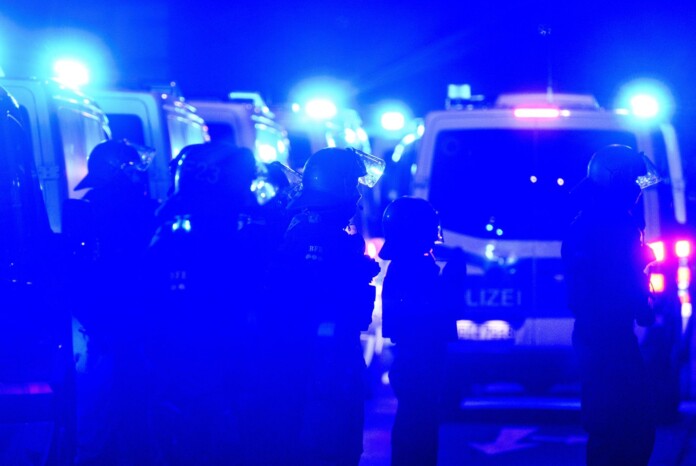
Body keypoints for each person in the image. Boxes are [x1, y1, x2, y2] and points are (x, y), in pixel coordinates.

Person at [262, 147, 382, 465]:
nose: (357, 195)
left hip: (326, 365)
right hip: (321, 368)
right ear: (337, 186)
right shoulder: (315, 236)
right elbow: (313, 306)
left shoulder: (315, 230)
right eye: (352, 184)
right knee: (328, 448)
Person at [146, 141, 262, 465]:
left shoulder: (175, 230)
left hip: (194, 371)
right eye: (244, 180)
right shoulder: (208, 238)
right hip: (201, 373)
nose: (248, 190)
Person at [561, 144, 660, 465]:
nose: (637, 192)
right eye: (633, 183)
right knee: (624, 426)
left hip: (602, 334)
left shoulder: (596, 221)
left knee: (620, 425)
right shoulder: (609, 225)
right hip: (606, 336)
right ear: (616, 183)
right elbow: (615, 280)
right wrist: (642, 303)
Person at [62, 138, 158, 465]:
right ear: (121, 171)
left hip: (96, 323)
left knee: (100, 411)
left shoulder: (86, 208)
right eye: (133, 169)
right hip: (124, 322)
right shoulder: (137, 211)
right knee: (128, 406)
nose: (139, 175)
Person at [379, 196, 458, 466]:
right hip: (419, 359)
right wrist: (452, 282)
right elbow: (430, 317)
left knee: (415, 421)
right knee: (419, 426)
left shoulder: (405, 266)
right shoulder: (414, 269)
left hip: (412, 358)